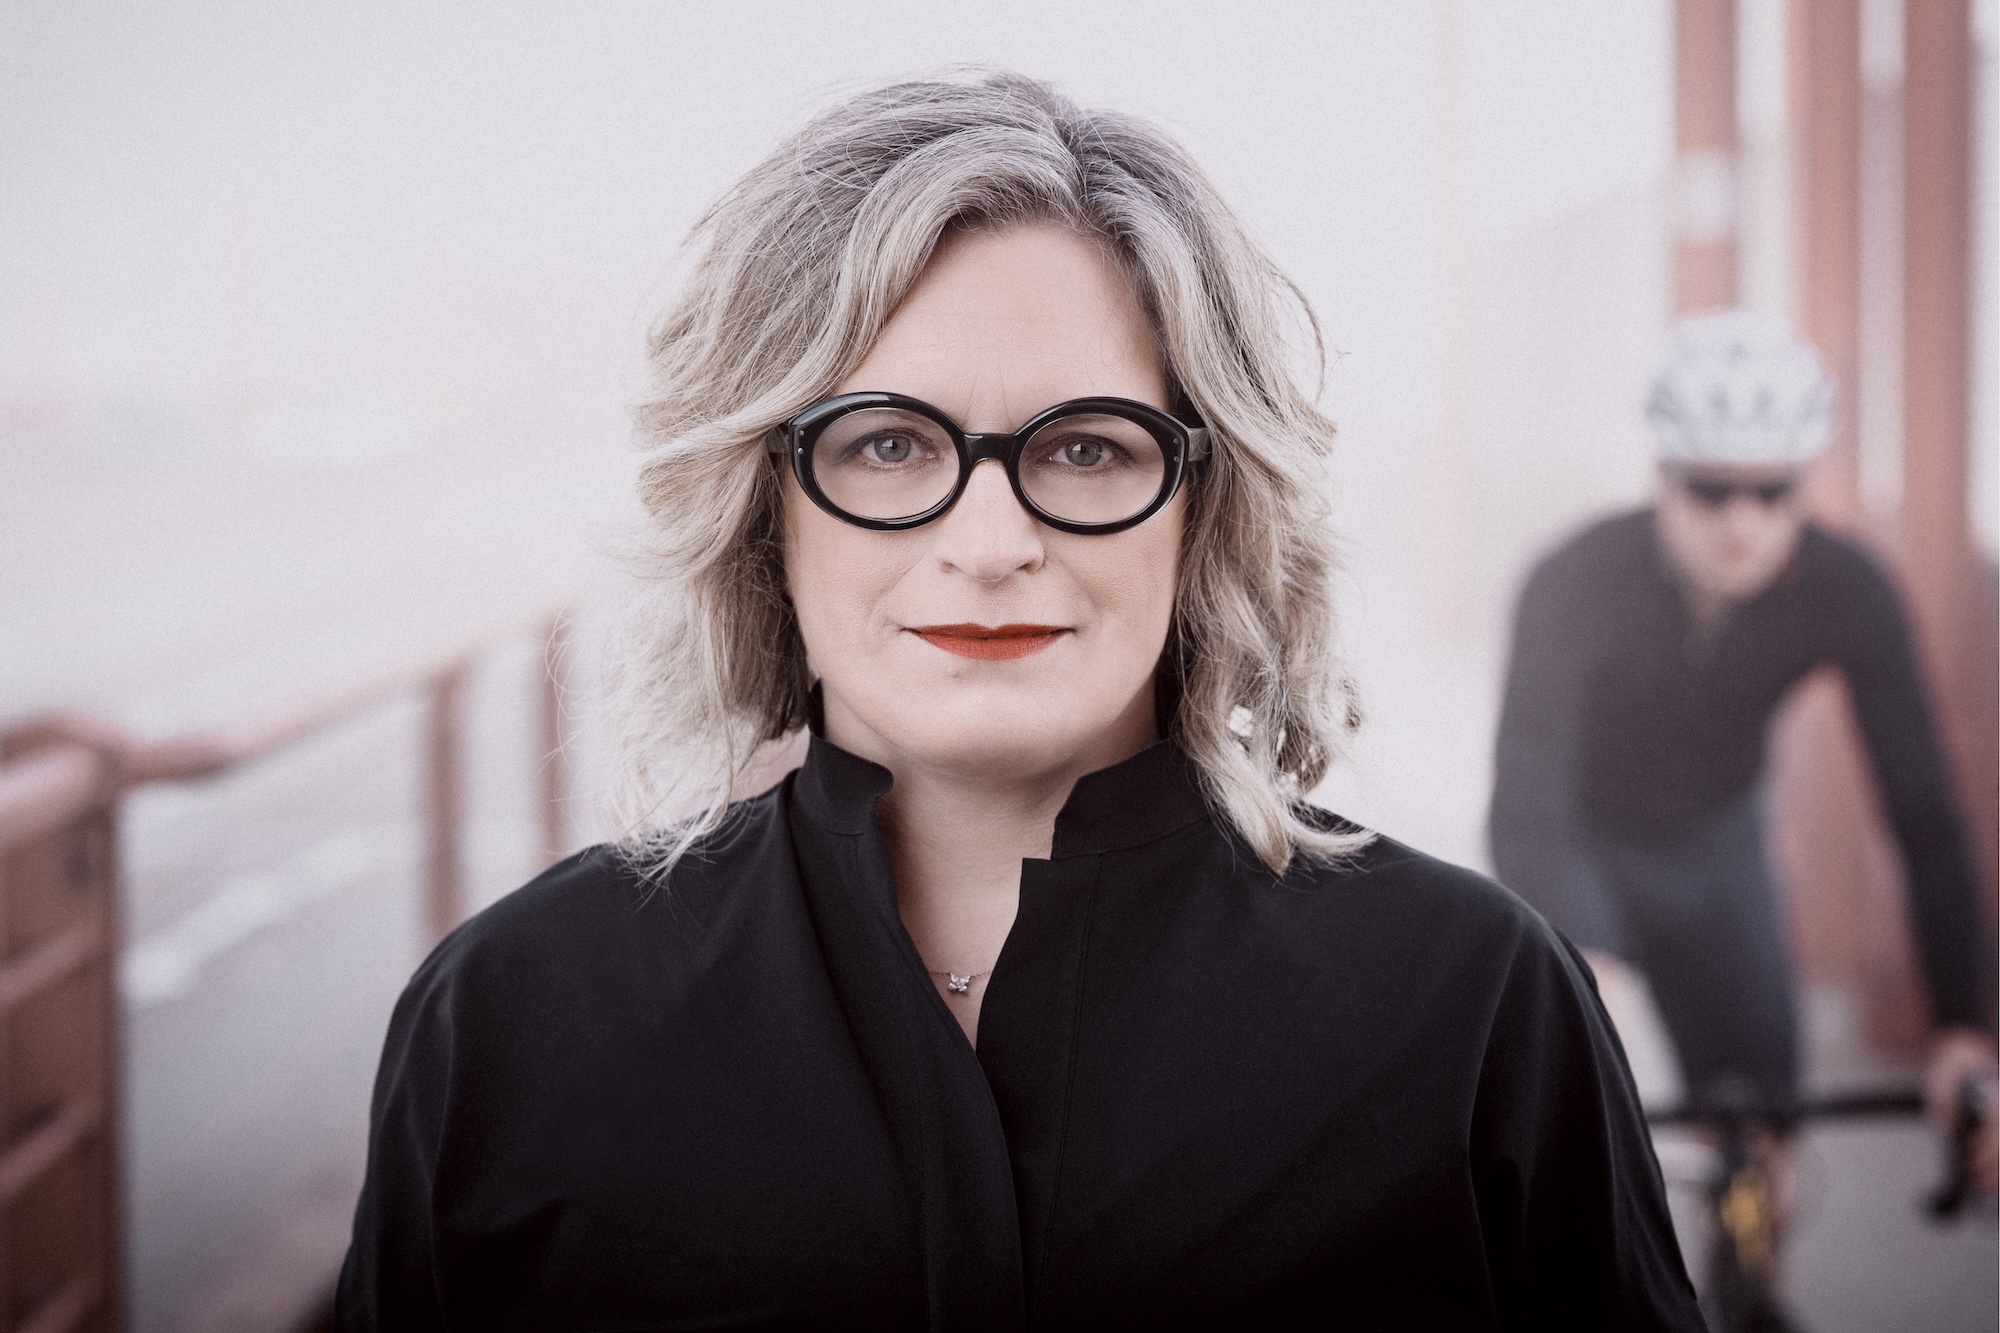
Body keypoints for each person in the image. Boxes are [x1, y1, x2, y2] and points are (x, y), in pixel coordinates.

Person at [337, 71, 1702, 1330]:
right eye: (884, 442)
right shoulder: (511, 1022)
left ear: (1204, 509)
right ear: (764, 507)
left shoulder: (1472, 1007)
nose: (990, 540)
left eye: (1090, 447)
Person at [1488, 312, 1997, 1222]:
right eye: (1711, 488)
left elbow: (1921, 810)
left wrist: (1965, 1022)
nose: (1742, 522)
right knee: (1568, 1128)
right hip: (1586, 850)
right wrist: (1579, 957)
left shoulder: (1850, 588)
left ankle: (1748, 1275)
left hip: (1717, 854)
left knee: (1764, 1138)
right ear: (1661, 475)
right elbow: (1526, 803)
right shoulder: (1571, 579)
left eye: (1771, 490)